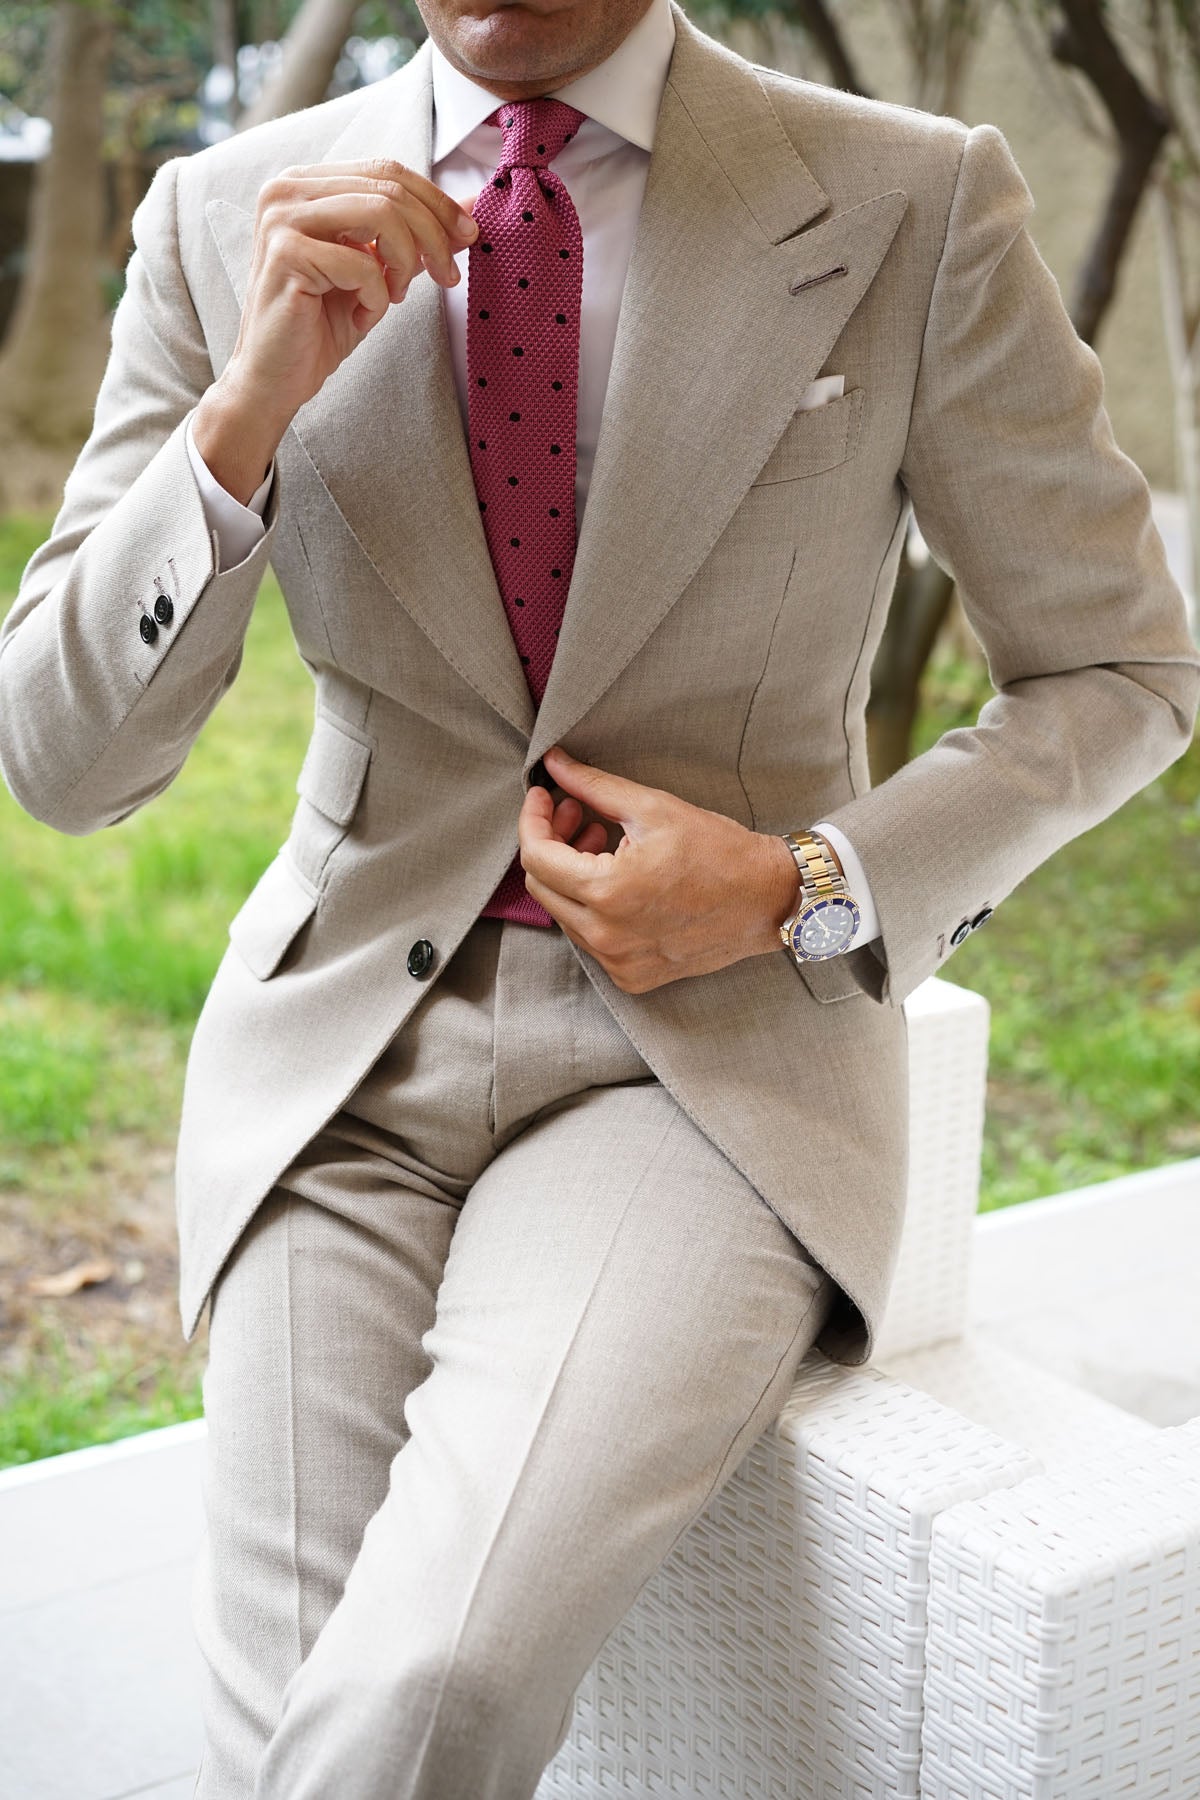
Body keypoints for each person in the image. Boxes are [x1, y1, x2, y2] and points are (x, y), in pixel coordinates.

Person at [2, 0, 1197, 1793]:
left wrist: (813, 882)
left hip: (695, 1074)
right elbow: (65, 761)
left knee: (428, 1692)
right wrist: (243, 417)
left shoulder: (905, 197)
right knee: (289, 1730)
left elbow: (1120, 671)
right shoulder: (222, 211)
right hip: (339, 1061)